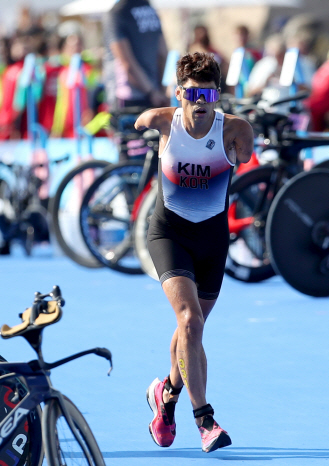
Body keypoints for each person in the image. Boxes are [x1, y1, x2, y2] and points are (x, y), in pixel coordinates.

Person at [134, 52, 253, 452]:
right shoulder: (165, 121)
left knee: (192, 328)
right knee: (190, 320)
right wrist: (168, 114)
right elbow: (139, 121)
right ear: (179, 93)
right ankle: (205, 420)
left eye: (207, 93)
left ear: (218, 96)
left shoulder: (235, 130)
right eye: (191, 93)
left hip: (212, 239)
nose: (199, 103)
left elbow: (247, 155)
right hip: (169, 233)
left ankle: (164, 398)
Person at [103, 0, 167, 110]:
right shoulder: (150, 9)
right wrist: (161, 91)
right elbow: (163, 54)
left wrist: (151, 93)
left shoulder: (117, 13)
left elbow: (127, 64)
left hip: (128, 98)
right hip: (156, 95)